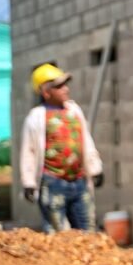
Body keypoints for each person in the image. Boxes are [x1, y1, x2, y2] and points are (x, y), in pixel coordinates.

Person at [20, 63, 103, 233]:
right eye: (59, 86)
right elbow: (29, 151)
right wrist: (29, 182)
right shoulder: (36, 117)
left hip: (79, 181)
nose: (66, 89)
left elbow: (86, 141)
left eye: (65, 85)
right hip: (53, 183)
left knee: (87, 231)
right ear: (46, 92)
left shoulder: (74, 111)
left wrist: (95, 168)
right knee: (58, 234)